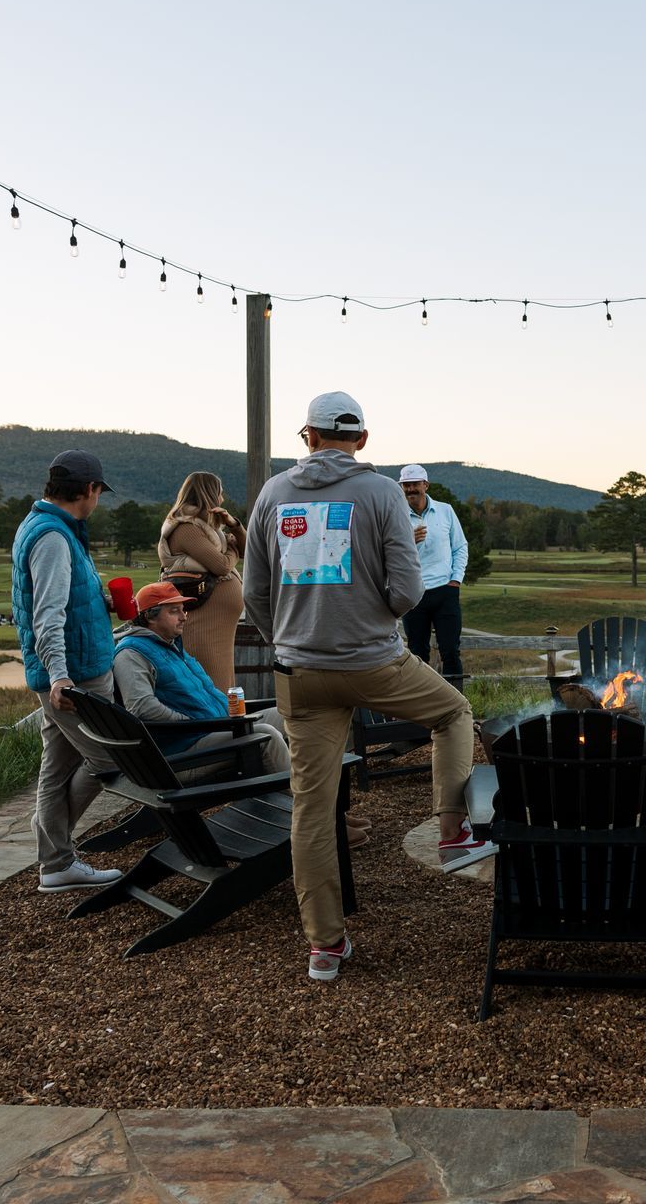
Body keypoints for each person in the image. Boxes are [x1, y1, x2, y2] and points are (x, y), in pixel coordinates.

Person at [245, 392, 478, 982]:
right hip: (374, 661)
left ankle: (325, 946)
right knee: (453, 713)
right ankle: (453, 828)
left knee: (311, 809)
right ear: (363, 441)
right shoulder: (380, 492)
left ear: (308, 436)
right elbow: (408, 590)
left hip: (300, 674)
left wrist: (288, 638)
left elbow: (254, 592)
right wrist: (377, 616)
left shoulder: (273, 494)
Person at [112, 580, 369, 847]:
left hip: (217, 730)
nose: (184, 617)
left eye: (183, 610)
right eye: (174, 611)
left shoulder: (171, 646)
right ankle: (323, 826)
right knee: (265, 735)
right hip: (186, 752)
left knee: (296, 714)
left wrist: (227, 717)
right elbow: (142, 707)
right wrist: (194, 724)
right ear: (150, 616)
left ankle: (328, 810)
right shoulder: (132, 654)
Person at [11, 449, 125, 894]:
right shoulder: (53, 537)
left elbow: (60, 598)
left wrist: (102, 602)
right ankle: (53, 846)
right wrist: (60, 676)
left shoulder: (46, 526)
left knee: (56, 768)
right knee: (107, 758)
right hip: (73, 678)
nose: (97, 499)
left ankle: (56, 859)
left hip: (70, 671)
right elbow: (46, 615)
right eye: (99, 492)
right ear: (89, 489)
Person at [158, 471, 245, 691]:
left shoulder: (210, 529)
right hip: (203, 623)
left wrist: (234, 525)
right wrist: (232, 550)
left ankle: (223, 713)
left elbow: (246, 550)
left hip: (218, 624)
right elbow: (221, 566)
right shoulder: (185, 528)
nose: (222, 498)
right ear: (210, 494)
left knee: (222, 680)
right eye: (220, 493)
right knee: (211, 681)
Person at [397, 464, 470, 681]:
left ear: (425, 485)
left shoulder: (445, 510)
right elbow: (387, 553)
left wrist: (455, 580)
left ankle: (456, 700)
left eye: (415, 484)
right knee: (417, 653)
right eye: (406, 485)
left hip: (445, 591)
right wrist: (408, 541)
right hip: (413, 593)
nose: (410, 489)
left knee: (450, 651)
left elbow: (460, 546)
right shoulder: (396, 515)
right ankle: (422, 700)